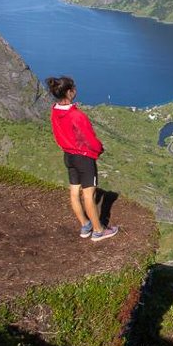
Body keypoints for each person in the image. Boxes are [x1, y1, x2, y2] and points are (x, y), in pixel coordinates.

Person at [46, 76, 118, 241]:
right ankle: (99, 231)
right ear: (70, 92)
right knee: (88, 196)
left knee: (74, 193)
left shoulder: (55, 111)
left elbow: (57, 134)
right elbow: (89, 139)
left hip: (69, 156)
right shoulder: (77, 116)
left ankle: (85, 225)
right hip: (83, 158)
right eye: (74, 88)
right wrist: (99, 149)